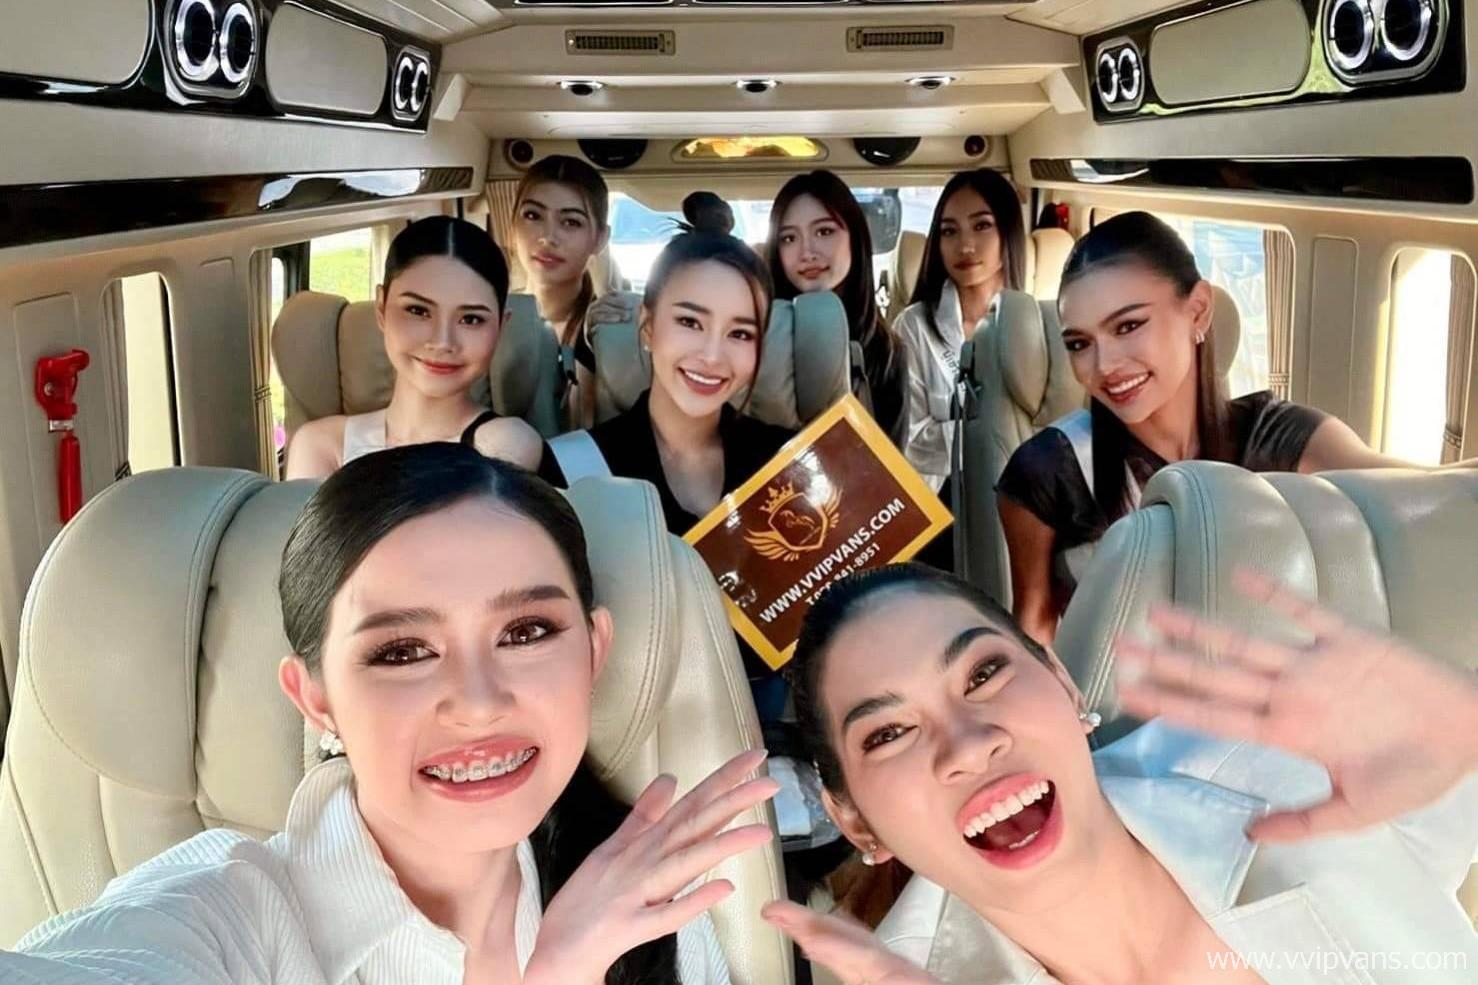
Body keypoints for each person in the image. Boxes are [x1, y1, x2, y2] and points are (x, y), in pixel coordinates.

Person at [5, 444, 778, 984]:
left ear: (594, 650)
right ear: (315, 697)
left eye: (527, 631)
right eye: (402, 650)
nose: (479, 702)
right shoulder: (219, 920)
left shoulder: (644, 904)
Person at [764, 563, 1478, 984]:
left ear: (1063, 682)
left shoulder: (1282, 758)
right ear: (854, 819)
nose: (969, 746)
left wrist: (1464, 727)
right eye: (888, 733)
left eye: (983, 674)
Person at [996, 210, 1473, 645]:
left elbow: (1422, 494)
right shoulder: (1046, 471)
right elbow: (1036, 630)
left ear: (1198, 310)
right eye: (1079, 344)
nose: (1104, 365)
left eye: (1128, 326)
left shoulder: (1280, 437)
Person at [547, 212, 795, 721]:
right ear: (647, 327)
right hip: (630, 736)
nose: (712, 356)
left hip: (776, 734)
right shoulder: (573, 468)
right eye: (689, 322)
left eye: (740, 334)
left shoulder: (789, 463)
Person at [284, 216, 548, 481]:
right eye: (418, 311)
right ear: (381, 308)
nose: (443, 342)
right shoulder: (319, 445)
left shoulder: (507, 443)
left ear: (501, 326)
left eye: (471, 319)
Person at [893, 169, 1026, 493]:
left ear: (1008, 232)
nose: (965, 246)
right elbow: (911, 440)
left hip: (1019, 495)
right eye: (949, 231)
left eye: (982, 226)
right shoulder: (914, 327)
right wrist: (999, 436)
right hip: (938, 500)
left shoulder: (1033, 327)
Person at [766, 171, 907, 444]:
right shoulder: (757, 343)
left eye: (824, 232)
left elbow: (891, 461)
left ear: (855, 238)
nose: (807, 252)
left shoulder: (888, 352)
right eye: (789, 238)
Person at [510, 155, 613, 428]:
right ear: (513, 225)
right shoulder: (487, 323)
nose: (547, 237)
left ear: (600, 238)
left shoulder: (607, 335)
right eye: (533, 216)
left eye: (571, 222)